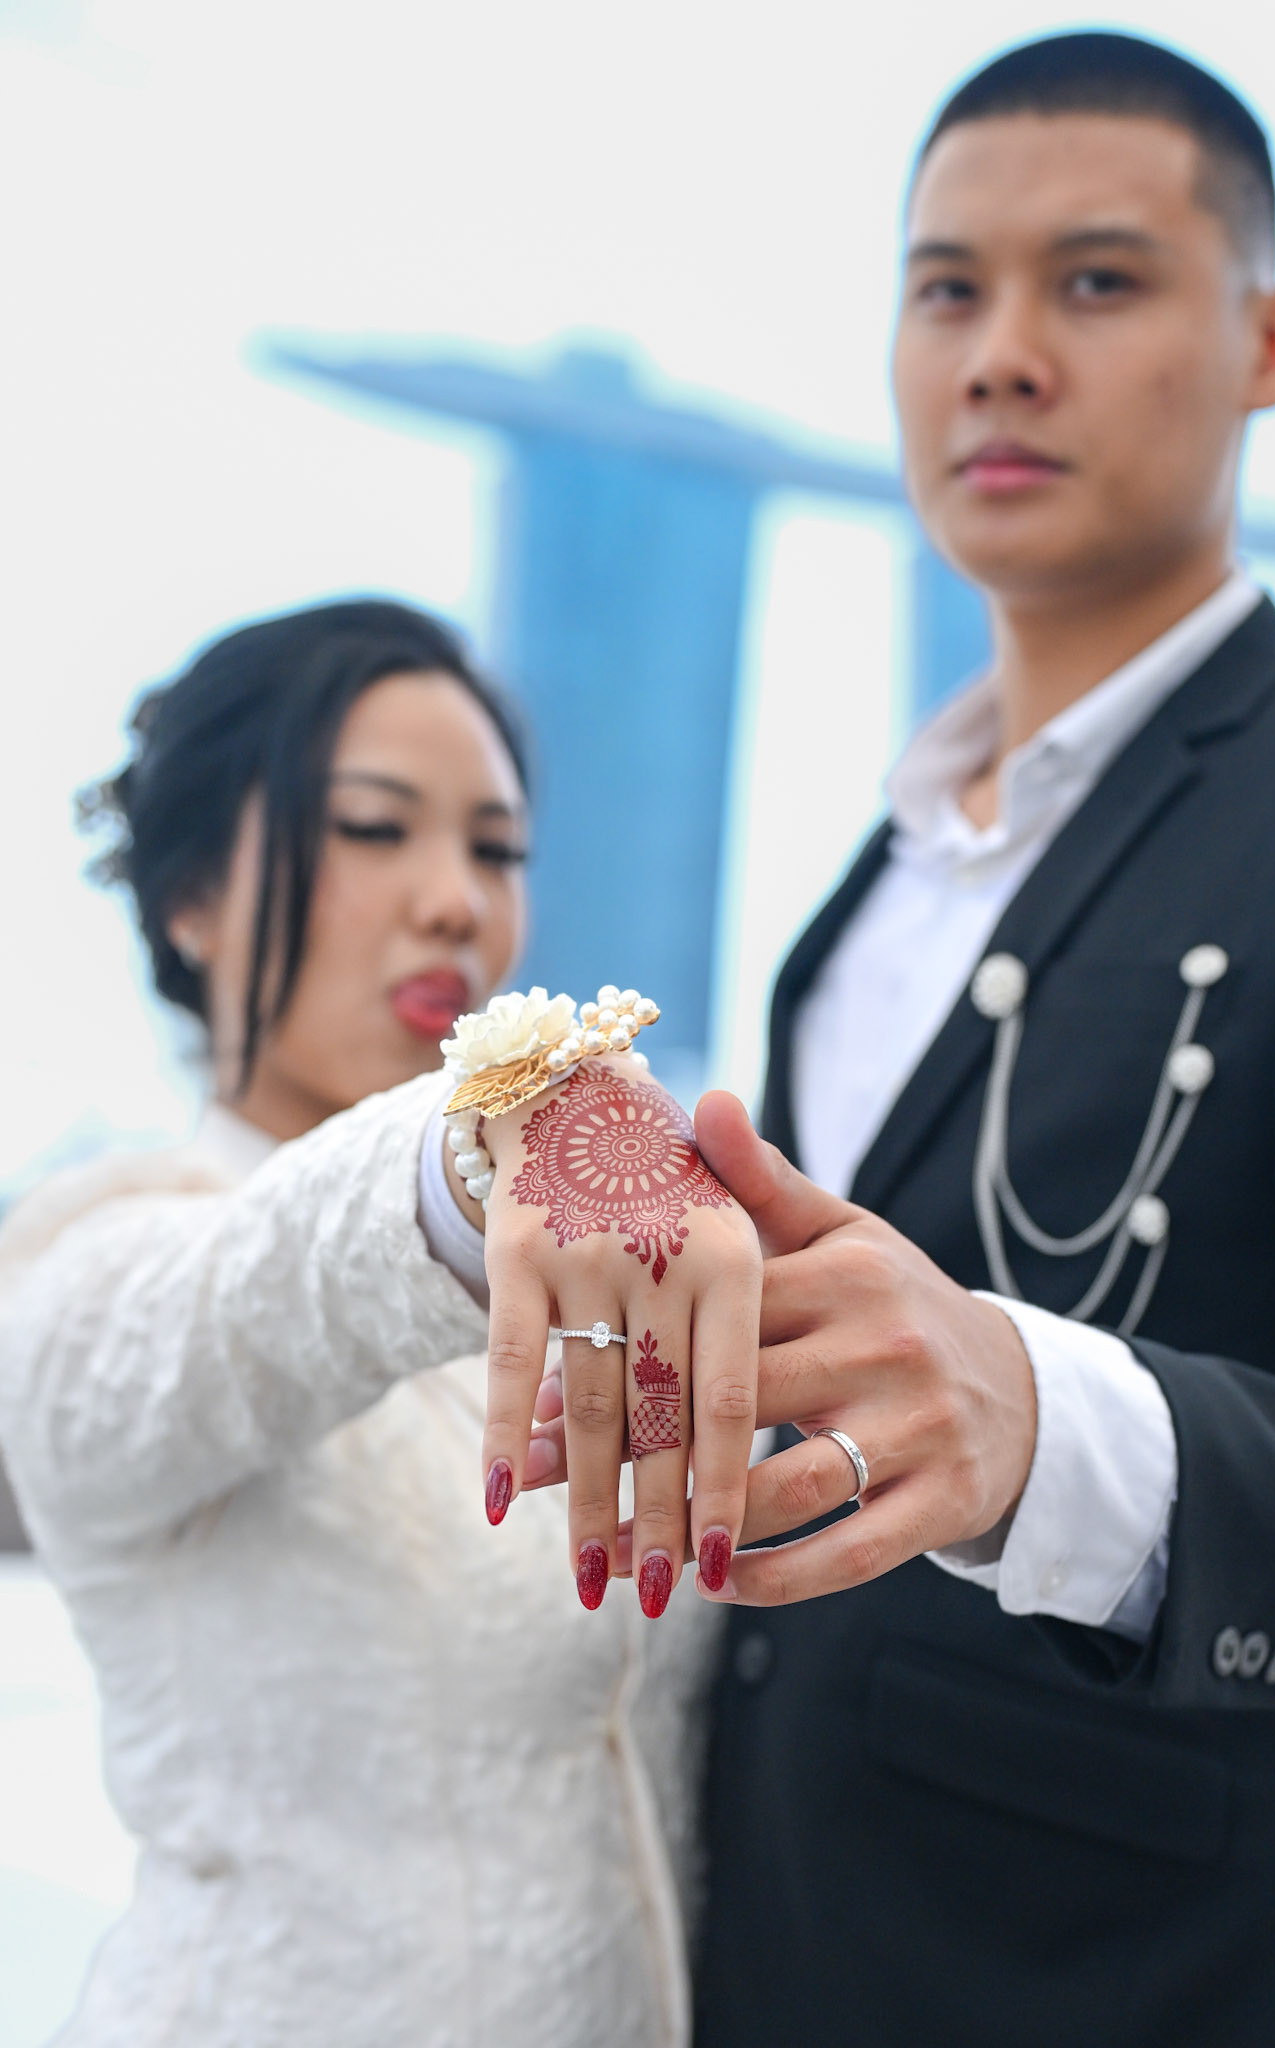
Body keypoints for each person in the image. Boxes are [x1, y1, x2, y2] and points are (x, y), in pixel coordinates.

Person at [515, 30, 1275, 2045]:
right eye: (944, 290)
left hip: (1135, 1980)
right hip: (772, 1942)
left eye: (1096, 281)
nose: (999, 358)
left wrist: (1041, 1417)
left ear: (1271, 341)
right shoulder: (873, 878)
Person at [0, 597, 759, 2048]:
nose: (455, 902)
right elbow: (256, 1295)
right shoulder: (95, 1261)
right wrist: (486, 1140)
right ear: (191, 899)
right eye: (372, 828)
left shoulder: (608, 1276)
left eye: (497, 850)